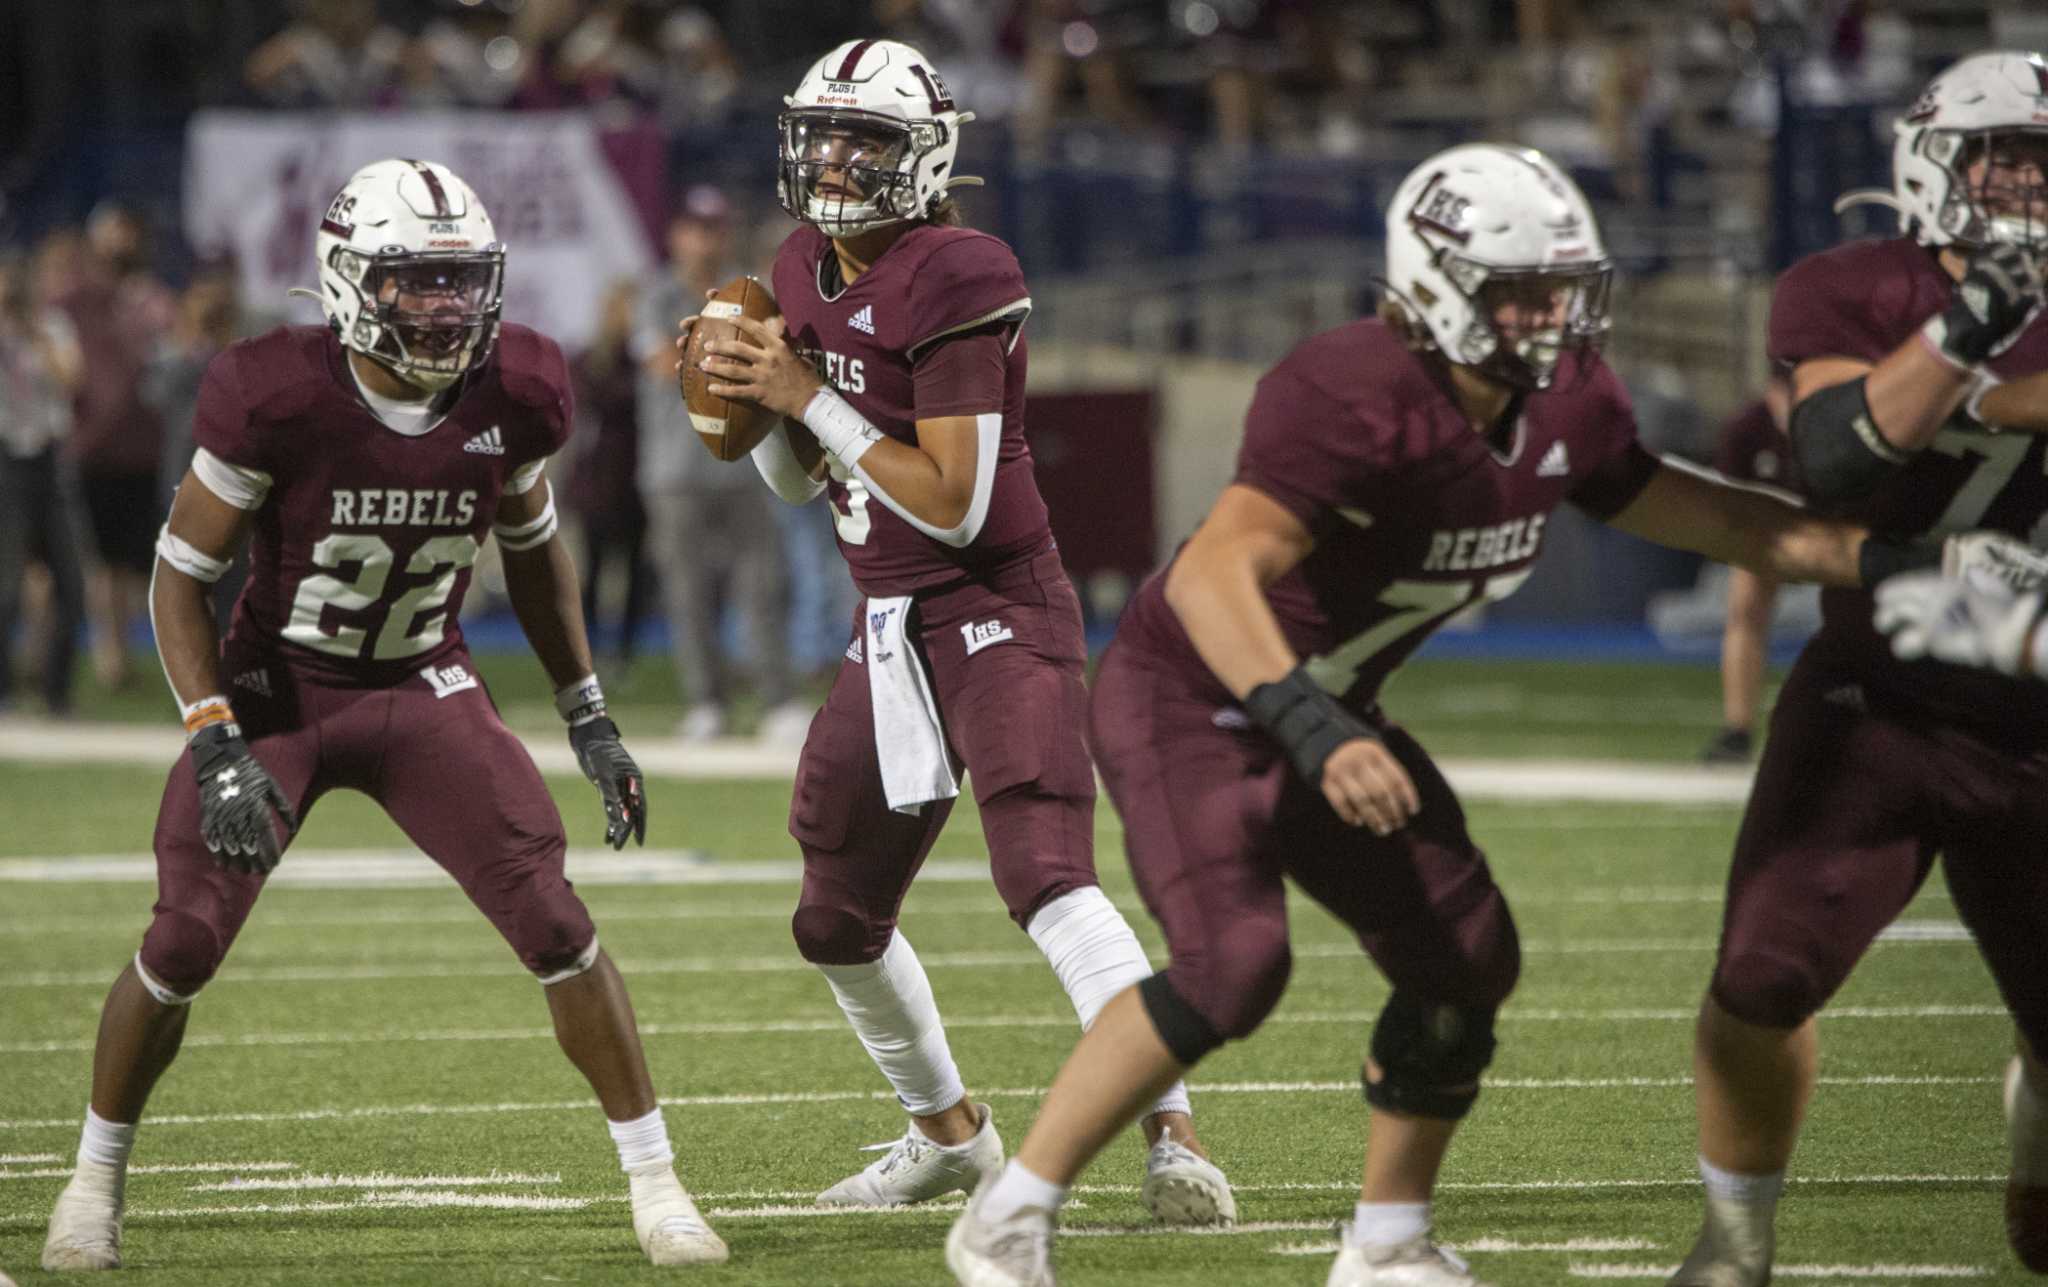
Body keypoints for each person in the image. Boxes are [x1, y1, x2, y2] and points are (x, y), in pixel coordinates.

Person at [937, 141, 1989, 1287]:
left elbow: (1731, 524)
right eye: (1519, 291)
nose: (1550, 317)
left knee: (1462, 957)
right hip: (1194, 695)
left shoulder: (1571, 402)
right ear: (1434, 284)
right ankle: (1008, 1214)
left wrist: (1909, 563)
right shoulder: (1350, 388)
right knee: (1233, 964)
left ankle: (1385, 1244)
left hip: (1327, 703)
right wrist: (1310, 725)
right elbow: (1208, 578)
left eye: (1563, 288)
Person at [38, 159, 726, 1272]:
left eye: (462, 280)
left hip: (419, 681)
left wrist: (587, 715)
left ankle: (658, 1186)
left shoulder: (519, 391)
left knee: (556, 923)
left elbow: (535, 548)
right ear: (351, 280)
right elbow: (178, 578)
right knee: (182, 941)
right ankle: (93, 1182)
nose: (448, 307)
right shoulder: (274, 391)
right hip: (278, 689)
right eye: (417, 282)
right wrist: (214, 736)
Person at [680, 37, 1235, 1222]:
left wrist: (800, 393)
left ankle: (1172, 1132)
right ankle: (947, 1136)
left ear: (923, 156)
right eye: (821, 132)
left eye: (865, 138)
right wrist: (745, 405)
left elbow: (954, 501)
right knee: (832, 916)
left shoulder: (959, 268)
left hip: (991, 603)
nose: (834, 157)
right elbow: (800, 485)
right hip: (886, 625)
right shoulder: (794, 263)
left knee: (1041, 869)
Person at [1664, 50, 2048, 1286]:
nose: (2023, 181)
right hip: (1874, 691)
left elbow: (1930, 419)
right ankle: (1732, 1245)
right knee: (1758, 980)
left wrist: (1976, 398)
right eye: (1999, 153)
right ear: (1933, 163)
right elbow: (1831, 456)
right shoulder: (1851, 281)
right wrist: (1971, 330)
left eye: (2043, 157)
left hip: (2036, 705)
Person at [635, 185, 807, 742]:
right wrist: (726, 356)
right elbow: (663, 363)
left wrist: (710, 353)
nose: (705, 240)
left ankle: (778, 698)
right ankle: (706, 701)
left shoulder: (751, 293)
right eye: (695, 228)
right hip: (675, 472)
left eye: (714, 228)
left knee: (763, 589)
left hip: (747, 467)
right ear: (676, 234)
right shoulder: (656, 293)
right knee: (687, 594)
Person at [0, 252, 87, 716]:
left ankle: (57, 691)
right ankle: (4, 690)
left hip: (51, 462)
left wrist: (31, 333)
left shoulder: (51, 327)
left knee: (72, 583)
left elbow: (72, 379)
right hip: (6, 460)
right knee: (6, 585)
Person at [1699, 374, 1801, 763]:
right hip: (1767, 536)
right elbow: (1726, 501)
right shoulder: (1747, 428)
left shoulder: (1832, 425)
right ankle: (1737, 728)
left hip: (1832, 534)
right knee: (1745, 609)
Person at [568, 278, 651, 675]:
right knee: (594, 568)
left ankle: (622, 653)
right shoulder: (591, 359)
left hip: (637, 480)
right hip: (599, 483)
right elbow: (595, 400)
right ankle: (589, 650)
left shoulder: (641, 358)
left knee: (634, 571)